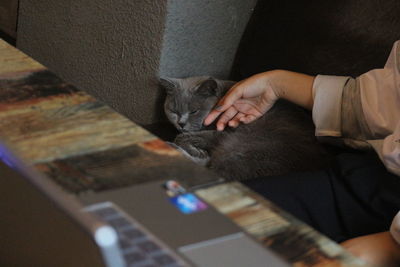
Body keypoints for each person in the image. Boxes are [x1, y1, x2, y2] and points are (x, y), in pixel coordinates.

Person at [204, 41, 400, 266]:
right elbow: (372, 105)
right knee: (206, 221)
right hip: (367, 183)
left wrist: (390, 247)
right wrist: (276, 83)